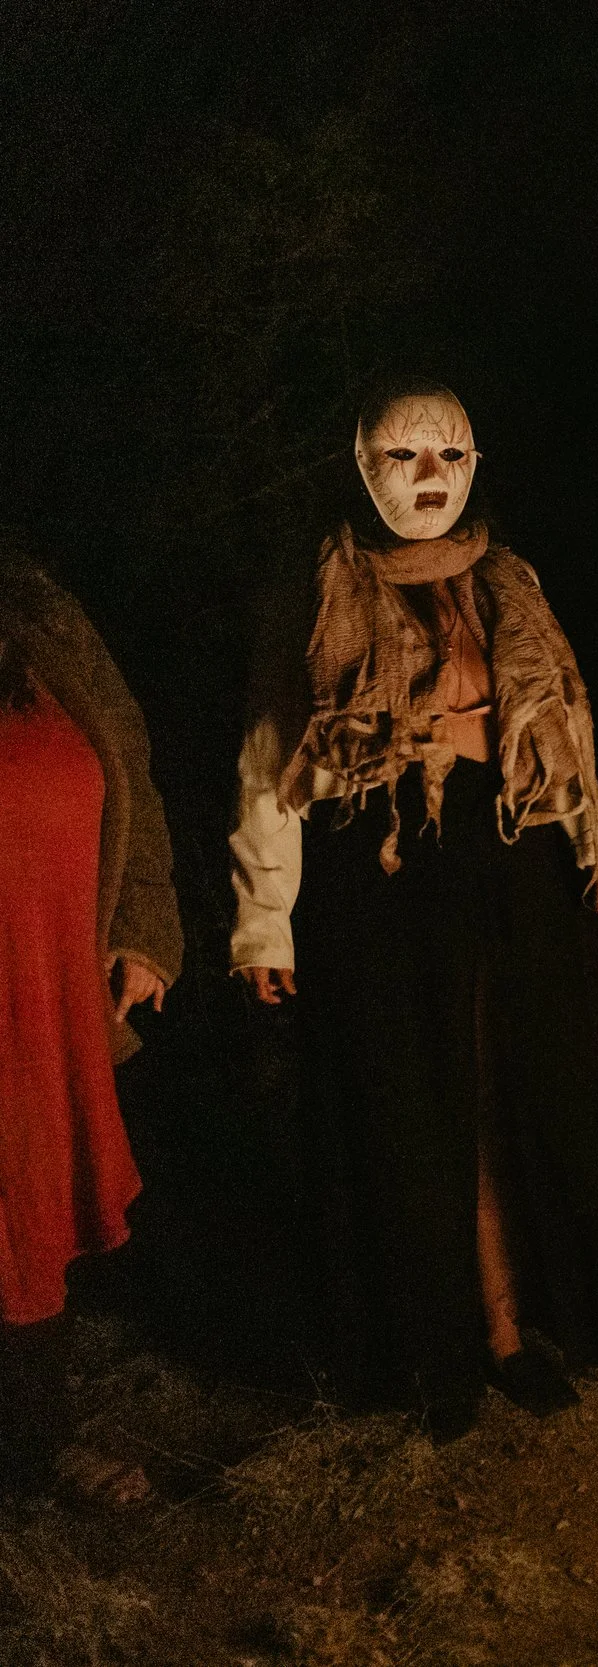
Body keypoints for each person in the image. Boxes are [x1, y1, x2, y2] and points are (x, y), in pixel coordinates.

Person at [230, 379, 598, 1439]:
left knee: (511, 1098)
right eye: (404, 456)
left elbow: (564, 720)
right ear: (363, 465)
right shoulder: (322, 588)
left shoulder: (505, 579)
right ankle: (437, 1352)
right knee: (413, 1116)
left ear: (475, 463)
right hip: (384, 872)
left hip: (507, 858)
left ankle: (509, 1332)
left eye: (449, 455)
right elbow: (270, 758)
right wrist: (263, 921)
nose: (429, 477)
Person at [0, 544, 180, 1506]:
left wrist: (143, 926)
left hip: (45, 967)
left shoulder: (37, 608)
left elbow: (124, 754)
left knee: (35, 1186)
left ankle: (34, 1439)